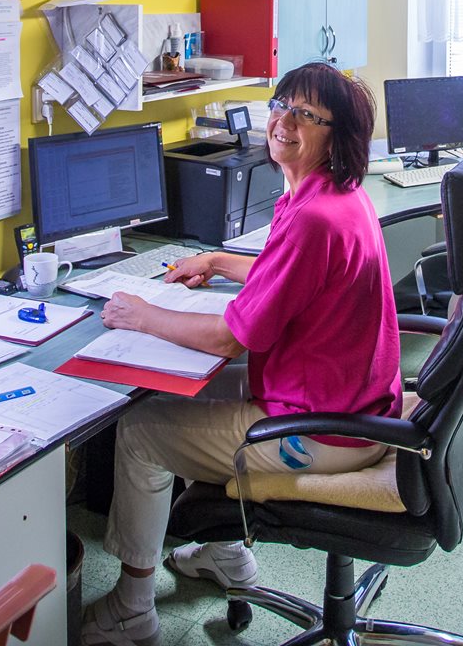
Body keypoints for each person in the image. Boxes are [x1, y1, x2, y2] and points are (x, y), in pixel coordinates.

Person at [80, 63, 401, 646]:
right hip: (354, 407)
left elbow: (233, 338)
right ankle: (227, 554)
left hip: (320, 432)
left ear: (337, 137)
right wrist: (216, 262)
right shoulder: (334, 198)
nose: (284, 121)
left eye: (307, 115)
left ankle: (131, 608)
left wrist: (141, 315)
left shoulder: (314, 218)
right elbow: (289, 278)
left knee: (141, 430)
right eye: (281, 104)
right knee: (201, 390)